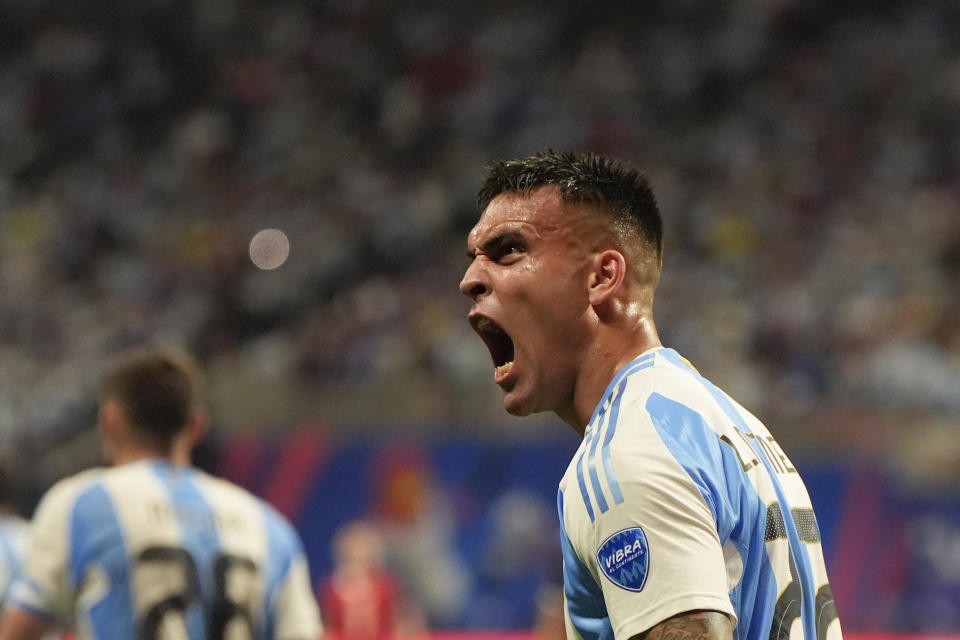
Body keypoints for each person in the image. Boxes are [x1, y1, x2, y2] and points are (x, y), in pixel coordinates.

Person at [459, 150, 842, 640]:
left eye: (508, 249)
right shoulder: (727, 421)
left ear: (602, 278)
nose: (470, 279)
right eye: (474, 257)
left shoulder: (626, 451)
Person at [0, 346, 323, 640]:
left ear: (110, 421)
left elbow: (22, 630)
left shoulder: (83, 504)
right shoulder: (269, 526)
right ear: (197, 425)